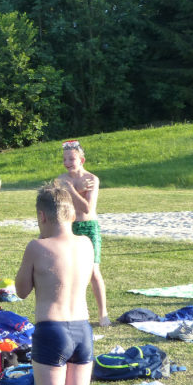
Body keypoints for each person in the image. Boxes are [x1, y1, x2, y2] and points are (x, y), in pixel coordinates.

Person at [15, 182, 95, 385]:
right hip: (83, 329)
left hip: (52, 330)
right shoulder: (86, 243)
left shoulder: (37, 247)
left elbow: (21, 290)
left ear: (42, 216)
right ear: (71, 214)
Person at [56, 140, 110, 327]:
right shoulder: (60, 180)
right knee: (68, 270)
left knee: (93, 271)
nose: (67, 162)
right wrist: (78, 190)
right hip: (69, 227)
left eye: (71, 159)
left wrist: (71, 189)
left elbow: (87, 208)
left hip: (88, 227)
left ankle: (103, 314)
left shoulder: (92, 179)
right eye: (65, 159)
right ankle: (72, 312)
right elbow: (59, 204)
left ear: (81, 160)